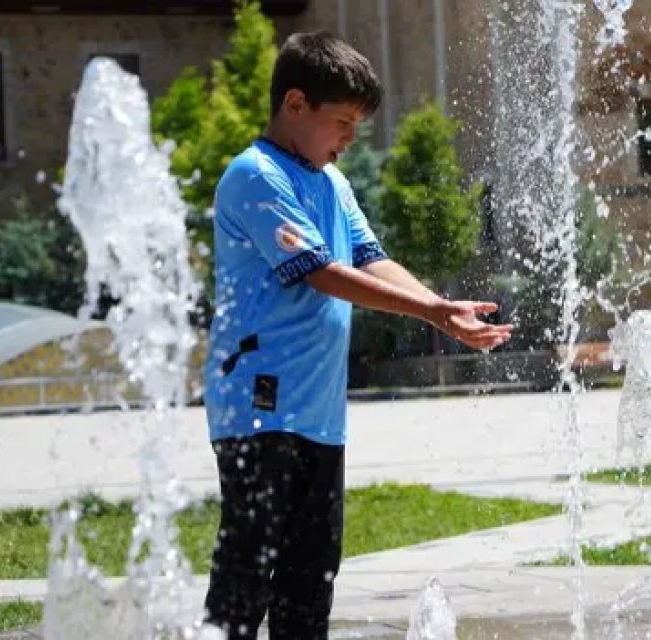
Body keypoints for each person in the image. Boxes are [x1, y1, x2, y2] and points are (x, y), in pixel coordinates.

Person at [202, 32, 512, 639]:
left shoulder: (333, 183)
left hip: (319, 413)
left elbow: (371, 258)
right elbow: (322, 272)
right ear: (296, 104)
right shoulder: (255, 175)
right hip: (259, 404)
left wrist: (440, 308)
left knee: (311, 576)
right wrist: (431, 312)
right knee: (247, 571)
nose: (350, 138)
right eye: (342, 122)